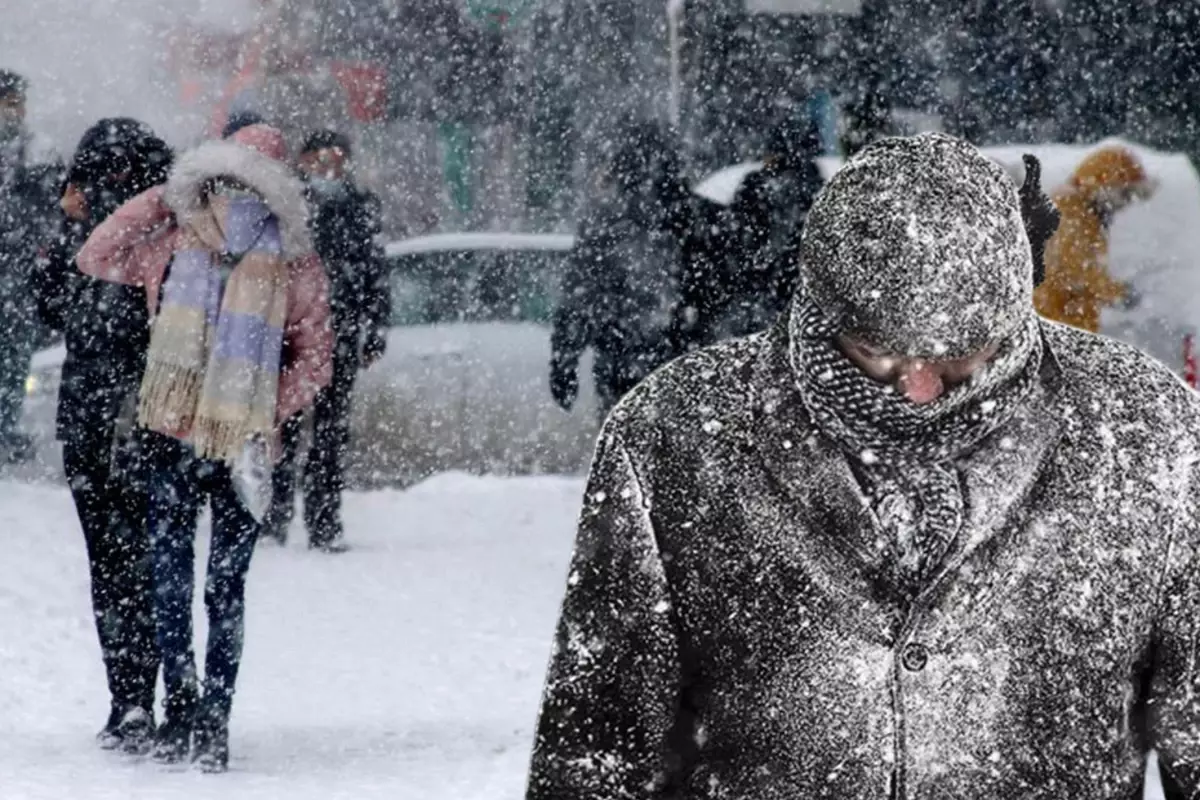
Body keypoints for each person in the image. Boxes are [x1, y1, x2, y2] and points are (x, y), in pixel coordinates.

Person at [527, 133, 1200, 798]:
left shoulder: (1145, 431)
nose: (920, 387)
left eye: (958, 355)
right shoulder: (676, 436)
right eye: (878, 352)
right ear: (824, 313)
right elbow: (600, 745)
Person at [77, 123, 332, 772]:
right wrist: (262, 407)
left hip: (180, 439)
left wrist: (164, 197)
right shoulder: (288, 256)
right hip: (236, 447)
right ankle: (211, 717)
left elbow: (97, 253)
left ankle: (190, 709)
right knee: (222, 588)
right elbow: (316, 359)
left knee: (176, 581)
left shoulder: (176, 240)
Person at [32, 118, 173, 754]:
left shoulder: (157, 235)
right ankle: (142, 695)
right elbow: (49, 306)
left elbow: (50, 306)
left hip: (128, 417)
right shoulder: (146, 231)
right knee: (135, 564)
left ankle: (137, 696)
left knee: (124, 567)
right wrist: (67, 225)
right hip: (125, 419)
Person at [262, 129, 389, 552]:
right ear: (303, 161)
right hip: (291, 336)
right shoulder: (286, 207)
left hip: (340, 333)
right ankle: (275, 515)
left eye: (337, 159)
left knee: (331, 435)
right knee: (284, 428)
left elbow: (375, 272)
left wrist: (374, 329)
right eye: (320, 159)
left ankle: (324, 521)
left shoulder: (360, 208)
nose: (328, 168)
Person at [549, 121, 692, 418]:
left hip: (622, 366)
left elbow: (580, 298)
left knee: (626, 452)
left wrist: (564, 361)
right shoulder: (692, 219)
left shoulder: (605, 223)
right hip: (682, 368)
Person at [1034, 144, 1156, 333]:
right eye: (1124, 193)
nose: (1126, 203)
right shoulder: (1072, 214)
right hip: (1058, 321)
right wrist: (1118, 293)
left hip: (1063, 322)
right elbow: (1078, 270)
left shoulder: (1084, 212)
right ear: (1102, 186)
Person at [0, 69, 51, 460]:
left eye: (19, 103)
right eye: (10, 102)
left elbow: (47, 209)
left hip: (17, 271)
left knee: (14, 354)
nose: (17, 111)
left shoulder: (36, 149)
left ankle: (5, 427)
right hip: (14, 265)